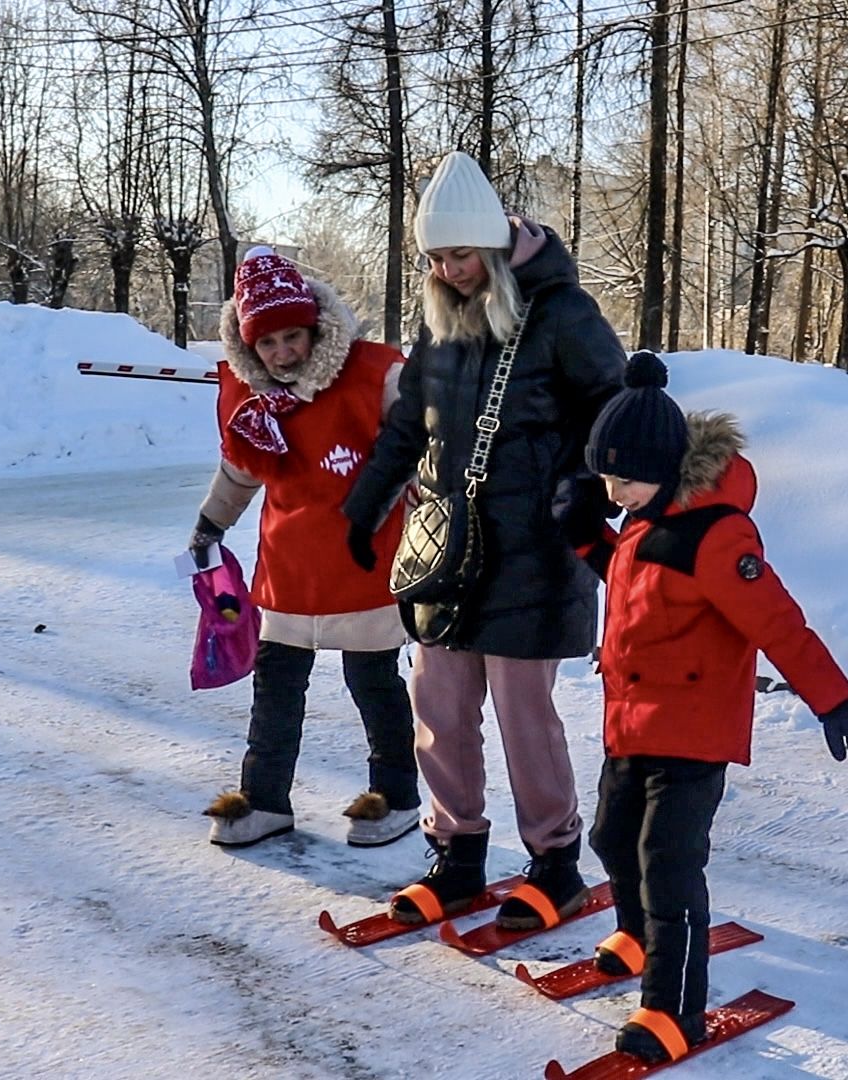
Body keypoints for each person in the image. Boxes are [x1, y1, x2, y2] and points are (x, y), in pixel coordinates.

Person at [342, 150, 625, 930]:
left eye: (460, 254)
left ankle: (555, 863)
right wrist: (362, 510)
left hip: (534, 546)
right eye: (435, 257)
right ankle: (457, 854)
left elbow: (613, 411)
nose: (448, 270)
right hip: (447, 546)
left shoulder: (564, 314)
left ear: (496, 247)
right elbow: (408, 426)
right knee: (437, 701)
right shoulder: (438, 325)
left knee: (521, 714)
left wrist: (584, 489)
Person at [579, 351, 848, 1065]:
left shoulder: (716, 536)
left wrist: (833, 699)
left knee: (668, 866)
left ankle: (672, 1008)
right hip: (631, 723)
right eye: (605, 479)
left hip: (692, 733)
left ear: (664, 468)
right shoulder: (644, 524)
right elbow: (637, 587)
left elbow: (776, 622)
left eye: (623, 478)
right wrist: (588, 538)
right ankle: (634, 931)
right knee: (612, 840)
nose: (612, 491)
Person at [195, 246, 421, 849]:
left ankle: (395, 795)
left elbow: (420, 438)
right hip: (289, 571)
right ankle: (265, 797)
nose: (281, 353)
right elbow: (241, 471)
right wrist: (210, 523)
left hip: (363, 564)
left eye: (291, 338)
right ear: (249, 348)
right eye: (266, 345)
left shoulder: (373, 376)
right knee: (275, 690)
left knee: (373, 685)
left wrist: (430, 482)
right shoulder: (256, 402)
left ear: (314, 328)